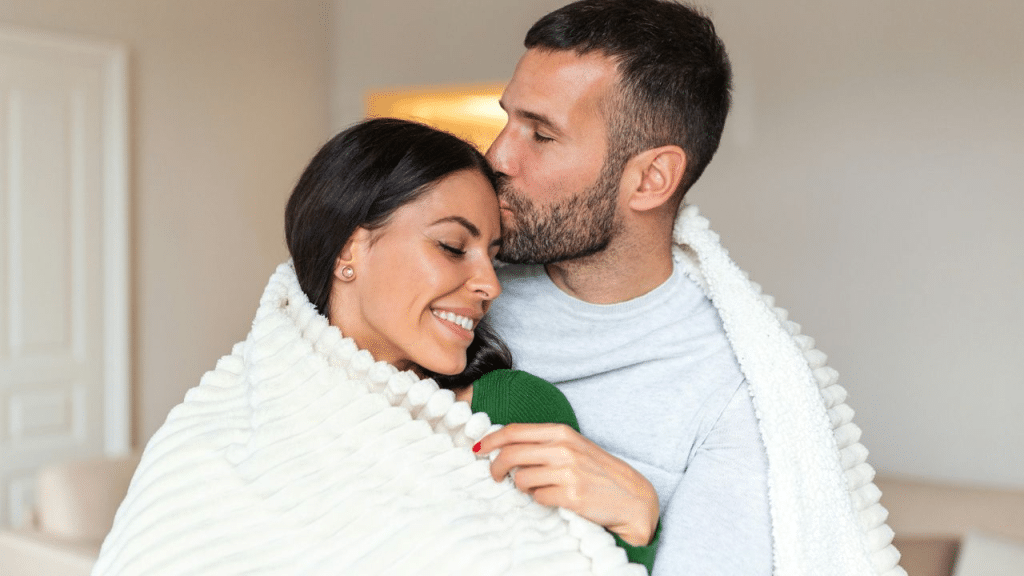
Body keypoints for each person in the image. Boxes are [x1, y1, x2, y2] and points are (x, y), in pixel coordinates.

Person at [92, 118, 651, 576]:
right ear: (349, 250)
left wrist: (634, 520)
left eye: (494, 254)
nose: (490, 284)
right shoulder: (210, 433)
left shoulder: (510, 410)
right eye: (454, 246)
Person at [474, 1, 904, 575]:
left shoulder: (734, 394)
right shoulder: (456, 289)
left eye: (541, 134)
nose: (498, 155)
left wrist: (639, 512)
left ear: (651, 179)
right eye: (508, 120)